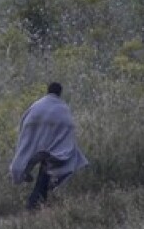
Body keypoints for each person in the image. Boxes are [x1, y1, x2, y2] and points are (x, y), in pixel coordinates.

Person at [9, 82, 88, 210]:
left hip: (36, 136)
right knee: (50, 166)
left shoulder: (38, 104)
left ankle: (34, 198)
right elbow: (69, 127)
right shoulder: (63, 108)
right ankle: (35, 202)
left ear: (48, 91)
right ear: (60, 93)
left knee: (35, 161)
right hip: (55, 147)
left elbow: (25, 119)